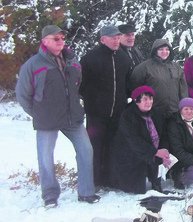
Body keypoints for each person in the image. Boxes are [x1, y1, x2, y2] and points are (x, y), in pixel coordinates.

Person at [15, 25, 99, 207]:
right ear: (44, 41)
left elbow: (77, 84)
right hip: (47, 120)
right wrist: (38, 113)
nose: (61, 42)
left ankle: (86, 192)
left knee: (86, 150)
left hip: (72, 117)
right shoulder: (33, 65)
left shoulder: (72, 61)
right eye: (56, 39)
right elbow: (22, 95)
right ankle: (50, 195)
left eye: (62, 38)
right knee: (46, 156)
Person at [80, 25, 132, 188]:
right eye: (113, 38)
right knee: (95, 146)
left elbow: (127, 83)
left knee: (113, 146)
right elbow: (81, 85)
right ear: (103, 39)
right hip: (96, 113)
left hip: (118, 111)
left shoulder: (123, 58)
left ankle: (111, 179)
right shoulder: (90, 58)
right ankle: (94, 180)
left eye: (118, 37)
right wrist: (92, 101)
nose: (117, 40)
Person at [110, 86, 171, 194]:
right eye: (145, 99)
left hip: (151, 151)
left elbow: (164, 134)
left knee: (160, 154)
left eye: (151, 99)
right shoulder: (128, 116)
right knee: (134, 190)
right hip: (131, 155)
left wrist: (164, 150)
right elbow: (134, 141)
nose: (149, 102)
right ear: (136, 101)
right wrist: (155, 152)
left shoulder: (157, 113)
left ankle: (155, 180)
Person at [130, 39, 188, 120]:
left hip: (174, 112)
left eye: (167, 49)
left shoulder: (176, 67)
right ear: (155, 51)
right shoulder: (144, 67)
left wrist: (184, 105)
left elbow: (183, 89)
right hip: (153, 112)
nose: (164, 51)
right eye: (161, 49)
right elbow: (135, 88)